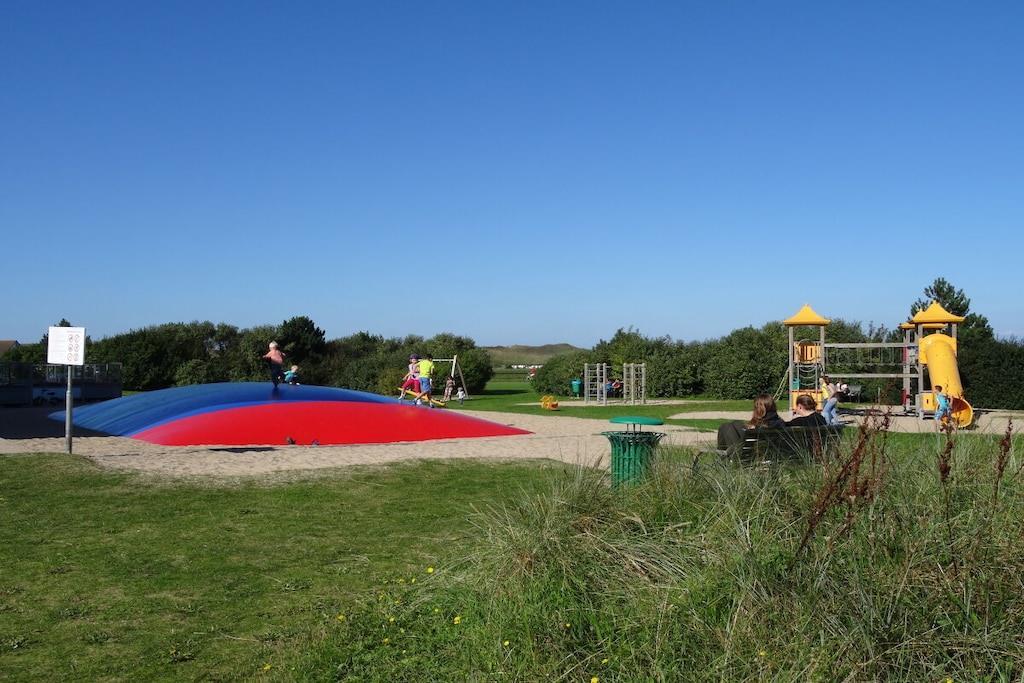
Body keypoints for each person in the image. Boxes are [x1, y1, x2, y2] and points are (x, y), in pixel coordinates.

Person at [717, 394, 787, 454]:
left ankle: (722, 453)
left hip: (748, 455)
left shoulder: (759, 429)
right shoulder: (779, 423)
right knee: (735, 423)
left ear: (759, 409)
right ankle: (723, 452)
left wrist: (754, 428)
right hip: (772, 453)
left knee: (726, 426)